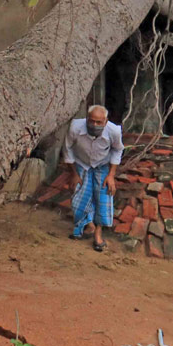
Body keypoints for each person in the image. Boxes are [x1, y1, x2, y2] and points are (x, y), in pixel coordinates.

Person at [63, 104, 124, 252]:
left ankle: (98, 234)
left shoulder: (114, 131)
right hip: (81, 163)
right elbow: (67, 149)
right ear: (86, 119)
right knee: (78, 199)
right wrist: (74, 174)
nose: (95, 125)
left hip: (102, 165)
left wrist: (111, 175)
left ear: (106, 121)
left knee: (103, 196)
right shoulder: (75, 127)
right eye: (92, 121)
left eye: (99, 122)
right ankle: (89, 225)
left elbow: (117, 150)